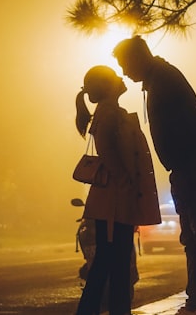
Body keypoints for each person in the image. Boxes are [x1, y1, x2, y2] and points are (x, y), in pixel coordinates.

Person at [112, 36, 196, 315]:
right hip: (186, 165)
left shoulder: (163, 79)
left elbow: (178, 129)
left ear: (138, 58)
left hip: (194, 164)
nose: (124, 72)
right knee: (192, 236)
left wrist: (178, 167)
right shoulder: (159, 79)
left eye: (124, 64)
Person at [74, 65, 161, 315]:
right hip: (115, 202)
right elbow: (110, 155)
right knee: (116, 263)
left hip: (112, 200)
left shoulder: (109, 112)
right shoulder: (110, 114)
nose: (121, 78)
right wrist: (128, 187)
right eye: (114, 77)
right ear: (107, 87)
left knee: (109, 262)